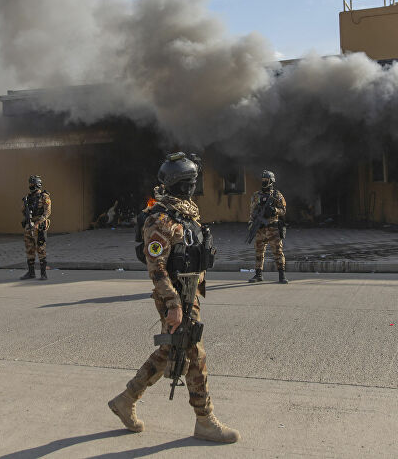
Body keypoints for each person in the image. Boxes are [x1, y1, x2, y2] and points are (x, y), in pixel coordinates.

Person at [107, 152, 239, 443]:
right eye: (192, 182)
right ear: (184, 184)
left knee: (172, 353)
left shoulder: (185, 212)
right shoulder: (160, 219)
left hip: (189, 292)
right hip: (175, 296)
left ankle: (126, 399)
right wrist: (174, 304)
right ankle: (205, 421)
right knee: (195, 355)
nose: (194, 186)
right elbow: (157, 268)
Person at [249, 170, 288, 284]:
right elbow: (252, 211)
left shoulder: (276, 195)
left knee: (277, 251)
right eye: (262, 180)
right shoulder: (256, 195)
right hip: (260, 228)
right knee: (259, 252)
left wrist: (274, 210)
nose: (264, 182)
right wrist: (251, 223)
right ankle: (258, 274)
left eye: (266, 180)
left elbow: (283, 210)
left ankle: (282, 275)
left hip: (272, 228)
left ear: (271, 181)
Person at [20, 175, 52, 280]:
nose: (31, 186)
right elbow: (23, 210)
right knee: (29, 249)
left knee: (41, 248)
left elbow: (47, 212)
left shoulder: (44, 196)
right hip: (30, 225)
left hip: (40, 225)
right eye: (30, 184)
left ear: (38, 184)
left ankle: (43, 274)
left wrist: (38, 222)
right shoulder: (28, 197)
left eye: (33, 184)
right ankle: (31, 272)